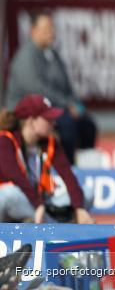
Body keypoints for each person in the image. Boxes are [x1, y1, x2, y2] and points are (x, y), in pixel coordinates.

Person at [6, 10, 98, 164]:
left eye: (52, 28)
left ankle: (84, 170)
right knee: (67, 125)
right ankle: (67, 168)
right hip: (27, 111)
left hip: (53, 108)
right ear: (34, 31)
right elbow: (36, 89)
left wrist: (76, 105)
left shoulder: (53, 55)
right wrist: (66, 106)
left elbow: (66, 86)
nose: (51, 33)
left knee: (88, 125)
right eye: (46, 29)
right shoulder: (26, 56)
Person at [0, 94, 95, 224]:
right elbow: (16, 178)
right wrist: (38, 205)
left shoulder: (50, 143)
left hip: (40, 204)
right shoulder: (5, 140)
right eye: (48, 119)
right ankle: (58, 224)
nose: (53, 123)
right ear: (31, 120)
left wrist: (79, 208)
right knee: (7, 194)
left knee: (87, 193)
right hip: (26, 202)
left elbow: (68, 176)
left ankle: (44, 223)